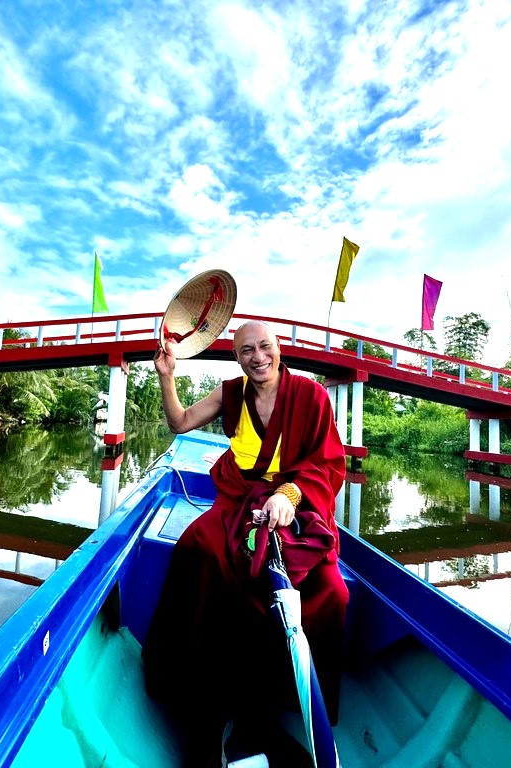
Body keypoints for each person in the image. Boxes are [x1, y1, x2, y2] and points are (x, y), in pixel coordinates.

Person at [142, 320, 349, 768]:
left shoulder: (311, 395)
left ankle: (288, 695)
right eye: (246, 351)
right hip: (241, 498)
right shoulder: (231, 393)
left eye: (264, 347)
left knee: (333, 591)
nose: (258, 357)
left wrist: (289, 495)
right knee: (199, 546)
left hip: (299, 502)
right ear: (236, 357)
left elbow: (328, 463)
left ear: (279, 348)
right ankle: (197, 678)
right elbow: (180, 422)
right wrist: (167, 375)